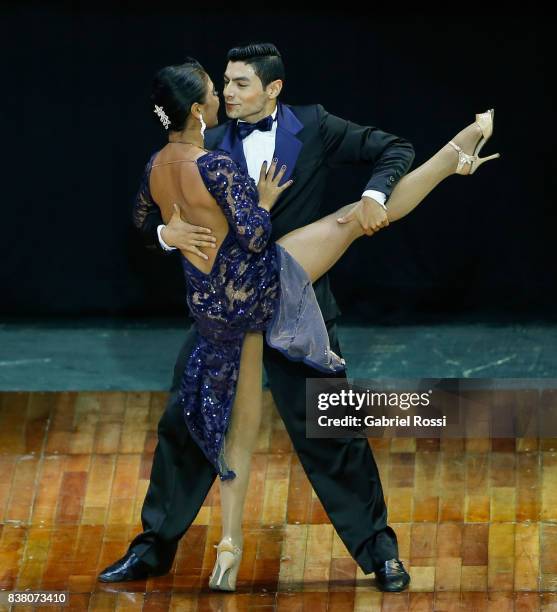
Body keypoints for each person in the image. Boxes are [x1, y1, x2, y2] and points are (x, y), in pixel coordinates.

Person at [98, 45, 499, 592]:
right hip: (227, 312)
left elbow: (392, 148)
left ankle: (378, 551)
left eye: (240, 84)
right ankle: (151, 549)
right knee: (186, 429)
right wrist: (168, 235)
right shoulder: (203, 143)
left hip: (294, 306)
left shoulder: (312, 125)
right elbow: (146, 220)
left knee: (334, 430)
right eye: (224, 85)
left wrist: (375, 195)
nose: (229, 93)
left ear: (273, 88)